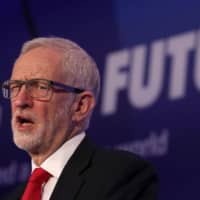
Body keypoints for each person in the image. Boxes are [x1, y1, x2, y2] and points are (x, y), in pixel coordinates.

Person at [2, 37, 158, 200]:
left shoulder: (121, 176)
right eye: (15, 87)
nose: (20, 101)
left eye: (40, 87)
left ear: (80, 106)